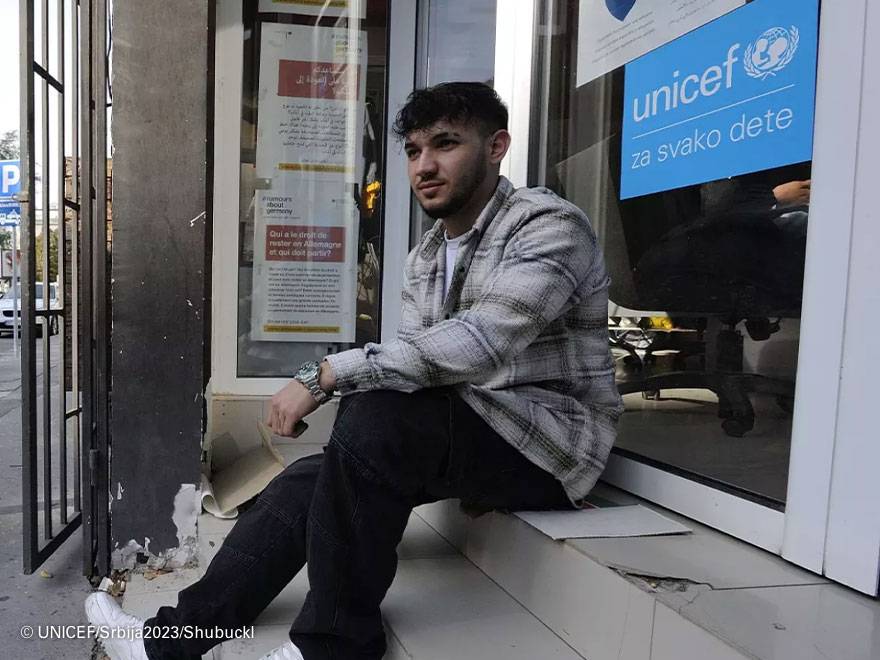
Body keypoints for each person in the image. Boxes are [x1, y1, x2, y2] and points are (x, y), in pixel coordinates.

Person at [85, 81, 623, 660]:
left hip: (549, 446)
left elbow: (481, 344)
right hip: (476, 430)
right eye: (414, 152)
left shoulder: (547, 225)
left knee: (375, 411)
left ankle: (331, 649)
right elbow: (423, 365)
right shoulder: (428, 254)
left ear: (497, 147)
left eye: (445, 145)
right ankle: (166, 642)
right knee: (311, 476)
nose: (425, 166)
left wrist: (324, 373)